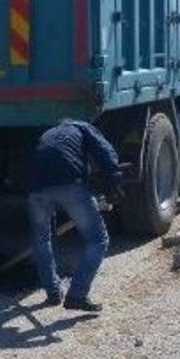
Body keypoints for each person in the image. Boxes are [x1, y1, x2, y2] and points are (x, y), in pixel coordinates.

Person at [28, 119, 123, 311]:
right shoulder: (83, 128)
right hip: (70, 185)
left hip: (35, 188)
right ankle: (77, 295)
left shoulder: (48, 134)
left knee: (42, 238)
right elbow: (106, 153)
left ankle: (53, 292)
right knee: (98, 240)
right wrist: (114, 183)